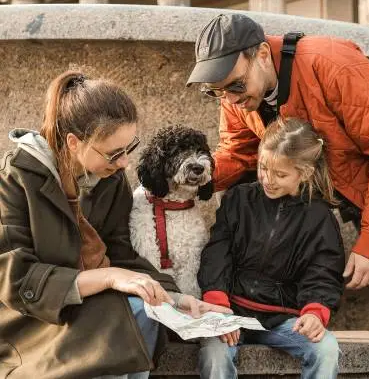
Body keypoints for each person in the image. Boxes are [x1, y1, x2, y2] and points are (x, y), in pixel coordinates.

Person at [0, 71, 223, 379]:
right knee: (127, 320)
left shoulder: (110, 179)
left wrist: (180, 300)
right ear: (74, 142)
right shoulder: (15, 179)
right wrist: (109, 277)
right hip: (32, 324)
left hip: (93, 309)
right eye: (114, 153)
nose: (124, 164)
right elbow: (17, 282)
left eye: (129, 149)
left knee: (144, 312)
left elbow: (122, 253)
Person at [186, 13, 369, 291]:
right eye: (215, 92)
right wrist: (194, 177)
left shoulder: (333, 65)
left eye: (236, 85)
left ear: (263, 54)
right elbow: (238, 153)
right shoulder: (235, 98)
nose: (230, 99)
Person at [197, 117, 345, 379]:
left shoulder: (320, 218)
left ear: (305, 173)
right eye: (263, 168)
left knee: (326, 348)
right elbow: (217, 252)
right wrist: (216, 303)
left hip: (285, 319)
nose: (268, 179)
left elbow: (324, 270)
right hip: (231, 313)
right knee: (214, 352)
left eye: (280, 174)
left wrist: (315, 311)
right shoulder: (238, 199)